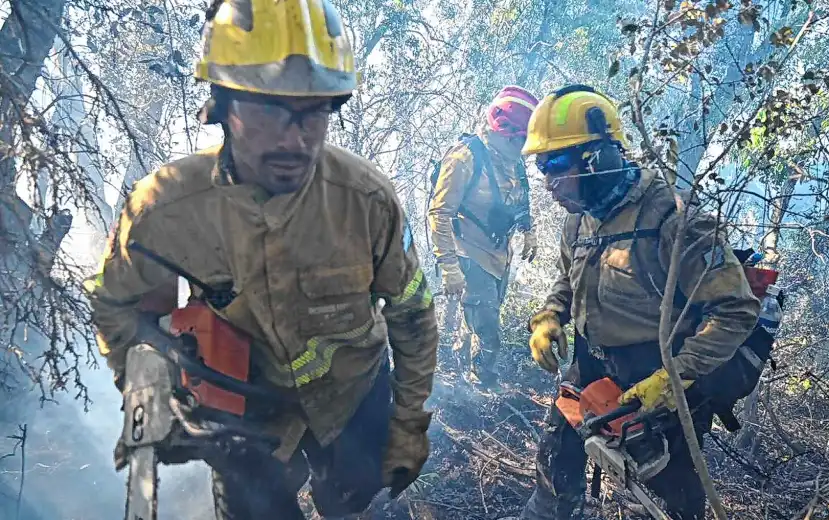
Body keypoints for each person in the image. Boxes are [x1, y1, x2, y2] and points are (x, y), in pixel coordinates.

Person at [82, 1, 438, 519]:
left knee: (350, 499)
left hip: (353, 401)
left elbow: (412, 312)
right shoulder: (164, 210)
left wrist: (408, 426)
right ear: (223, 105)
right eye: (270, 110)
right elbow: (115, 304)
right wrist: (149, 391)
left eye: (314, 112)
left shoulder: (366, 201)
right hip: (245, 420)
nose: (295, 140)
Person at [514, 85, 761, 520]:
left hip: (657, 378)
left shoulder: (674, 220)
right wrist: (551, 314)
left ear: (597, 158)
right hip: (589, 368)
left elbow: (734, 310)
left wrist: (672, 380)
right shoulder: (578, 221)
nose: (548, 183)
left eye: (555, 165)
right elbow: (568, 278)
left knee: (673, 490)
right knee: (556, 462)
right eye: (540, 167)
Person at [427, 85, 539, 387]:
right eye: (519, 140)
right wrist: (449, 268)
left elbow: (521, 199)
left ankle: (461, 374)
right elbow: (440, 214)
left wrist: (528, 231)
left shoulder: (514, 162)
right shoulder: (464, 159)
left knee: (478, 317)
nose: (523, 147)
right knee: (489, 327)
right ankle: (484, 383)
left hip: (499, 256)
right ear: (504, 131)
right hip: (469, 253)